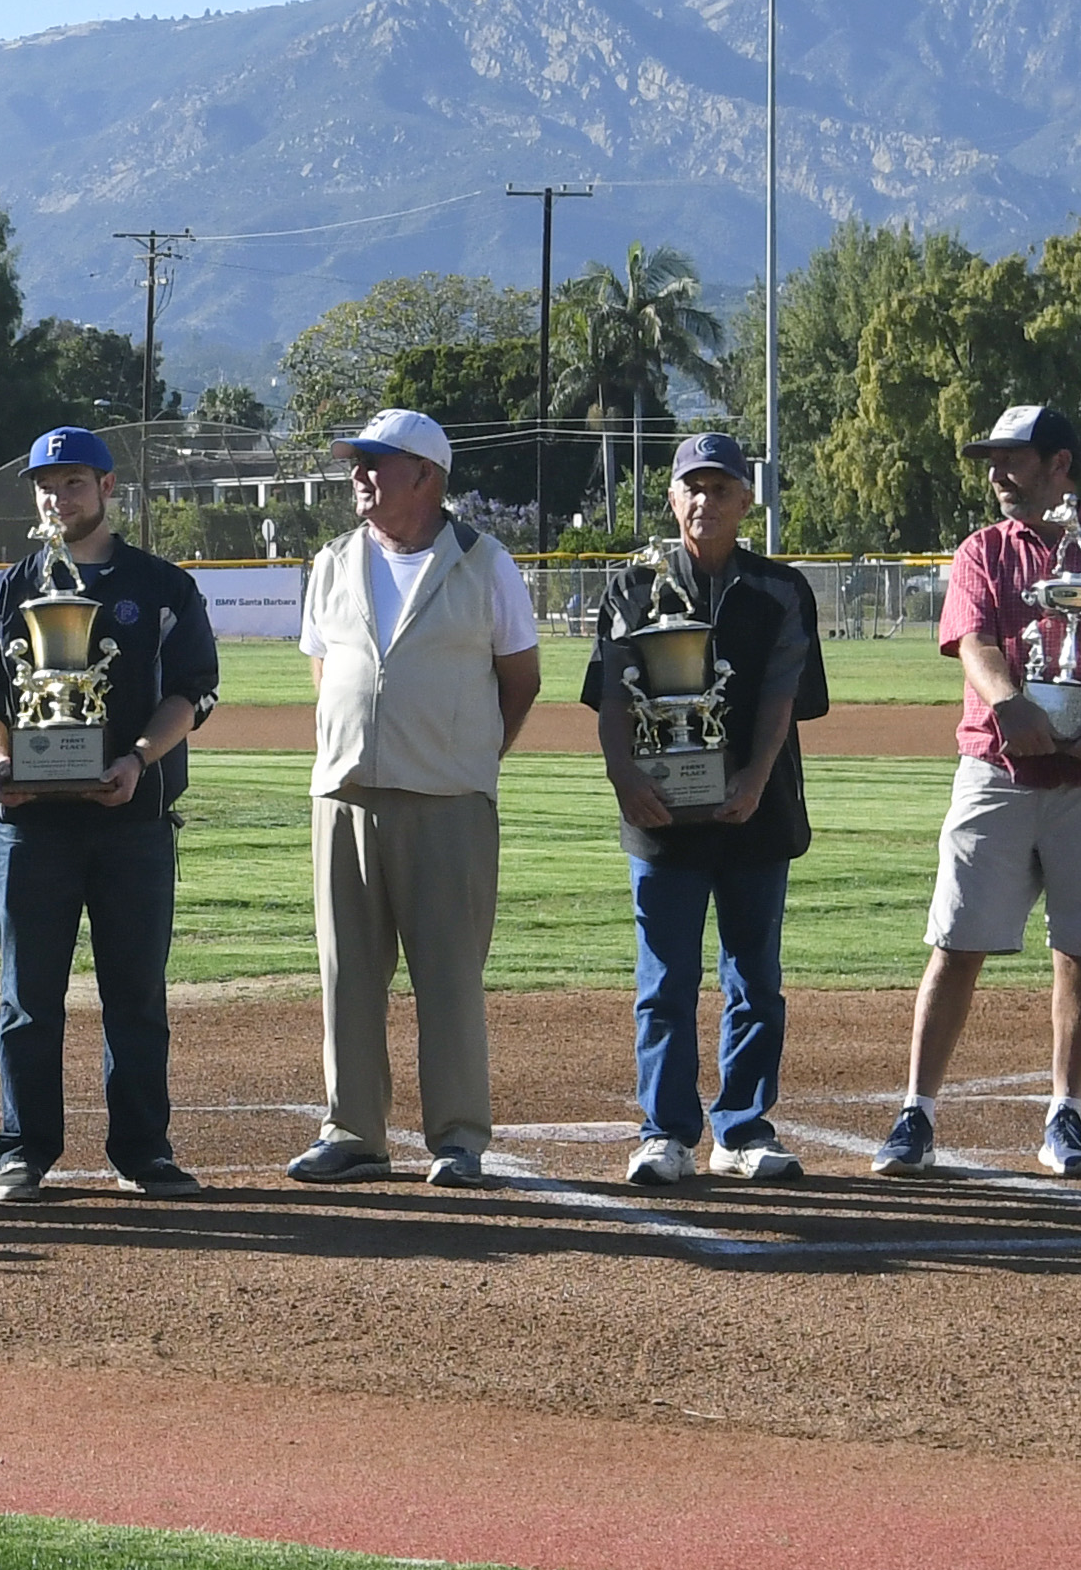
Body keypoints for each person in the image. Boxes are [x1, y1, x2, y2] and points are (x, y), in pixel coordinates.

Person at [879, 404, 1081, 1179]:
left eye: (1013, 458)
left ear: (1061, 465)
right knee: (957, 943)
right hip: (1000, 767)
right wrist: (1009, 705)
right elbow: (974, 640)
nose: (997, 474)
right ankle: (916, 1111)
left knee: (1080, 950)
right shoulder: (983, 548)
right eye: (992, 459)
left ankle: (1066, 1115)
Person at [0, 426, 220, 1202]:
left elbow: (194, 690)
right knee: (27, 997)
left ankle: (143, 1150)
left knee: (135, 994)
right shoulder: (4, 592)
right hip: (33, 827)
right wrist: (1, 763)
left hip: (133, 820)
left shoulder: (161, 586)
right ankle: (22, 1149)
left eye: (74, 482)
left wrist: (138, 759)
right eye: (45, 484)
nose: (57, 496)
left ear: (107, 490)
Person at [285, 410, 539, 1190]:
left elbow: (520, 680)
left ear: (426, 475)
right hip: (347, 795)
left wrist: (465, 754)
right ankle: (354, 1131)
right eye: (355, 463)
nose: (359, 476)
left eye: (375, 463)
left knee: (450, 978)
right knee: (346, 976)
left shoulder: (485, 563)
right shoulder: (332, 563)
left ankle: (458, 1138)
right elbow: (325, 672)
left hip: (448, 802)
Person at [579, 435, 824, 1186]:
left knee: (755, 977)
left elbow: (785, 692)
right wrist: (623, 779)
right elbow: (612, 692)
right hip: (659, 813)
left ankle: (743, 1129)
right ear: (671, 497)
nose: (704, 501)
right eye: (692, 487)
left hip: (758, 807)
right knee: (665, 979)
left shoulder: (781, 589)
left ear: (747, 500)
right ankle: (666, 1133)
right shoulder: (634, 587)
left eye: (721, 488)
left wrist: (751, 779)